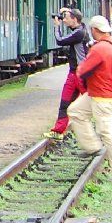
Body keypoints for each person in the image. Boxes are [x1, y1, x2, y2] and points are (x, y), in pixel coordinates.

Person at [69, 14, 112, 182]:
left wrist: (88, 58)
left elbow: (82, 70)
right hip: (105, 91)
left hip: (103, 96)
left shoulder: (100, 48)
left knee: (107, 132)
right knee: (75, 111)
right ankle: (92, 147)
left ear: (94, 30)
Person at [46, 8, 91, 138]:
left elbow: (60, 40)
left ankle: (95, 128)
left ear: (75, 19)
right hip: (74, 73)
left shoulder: (79, 33)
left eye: (66, 17)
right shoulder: (79, 30)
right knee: (65, 102)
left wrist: (57, 27)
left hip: (81, 74)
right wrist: (66, 10)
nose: (64, 20)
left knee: (90, 102)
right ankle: (58, 130)